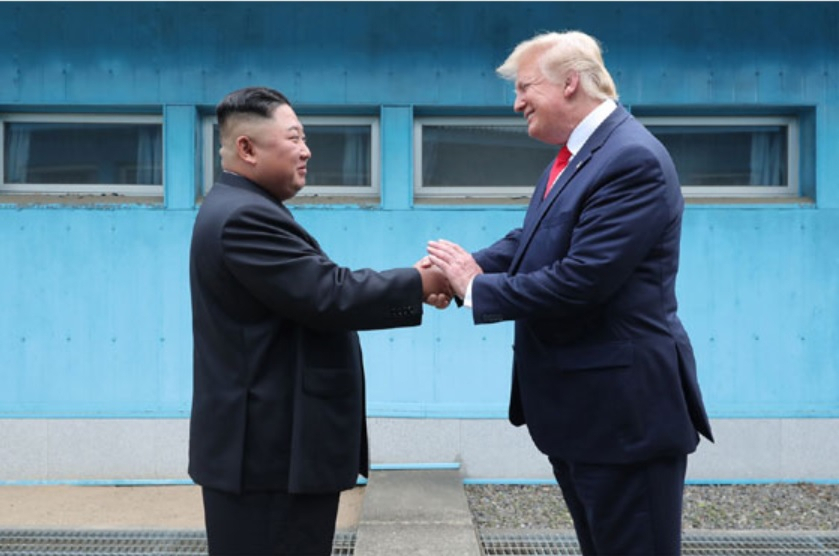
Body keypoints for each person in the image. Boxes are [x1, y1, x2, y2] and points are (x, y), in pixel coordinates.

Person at [427, 31, 714, 556]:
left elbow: (583, 279)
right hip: (587, 416)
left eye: (525, 88)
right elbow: (533, 240)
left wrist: (476, 287)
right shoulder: (577, 156)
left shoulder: (632, 160)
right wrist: (456, 271)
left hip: (624, 418)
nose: (516, 103)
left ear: (571, 83)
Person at [188, 86, 450, 556]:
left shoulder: (242, 208)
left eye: (304, 137)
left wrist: (416, 284)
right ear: (246, 148)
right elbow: (329, 294)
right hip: (269, 458)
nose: (306, 150)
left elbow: (318, 292)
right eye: (293, 138)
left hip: (269, 452)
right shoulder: (244, 217)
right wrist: (421, 281)